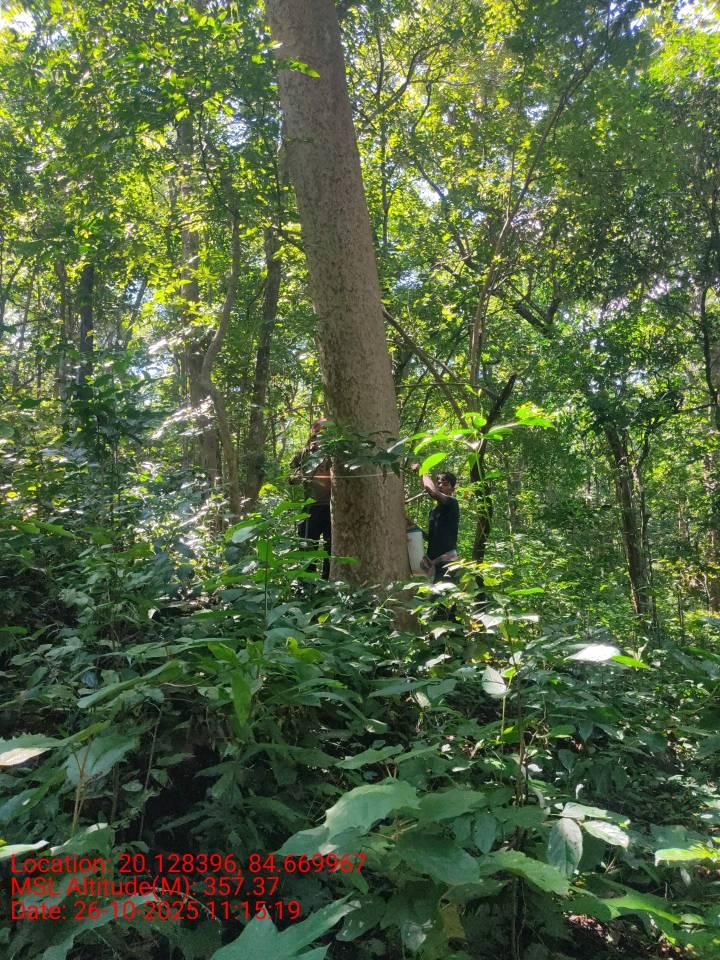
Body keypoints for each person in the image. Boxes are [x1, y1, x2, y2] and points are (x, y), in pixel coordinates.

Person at [290, 418, 332, 579]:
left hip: (331, 507)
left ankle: (327, 581)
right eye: (317, 433)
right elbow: (292, 474)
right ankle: (307, 583)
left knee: (331, 547)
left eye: (323, 433)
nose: (319, 437)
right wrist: (295, 478)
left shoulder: (333, 451)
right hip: (311, 506)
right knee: (306, 545)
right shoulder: (304, 453)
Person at [421, 471, 459, 583]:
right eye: (438, 483)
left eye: (445, 484)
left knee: (444, 593)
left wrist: (422, 472)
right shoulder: (434, 511)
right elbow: (432, 538)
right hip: (432, 564)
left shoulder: (452, 503)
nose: (441, 486)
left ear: (452, 489)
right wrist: (413, 527)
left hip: (447, 563)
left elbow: (433, 493)